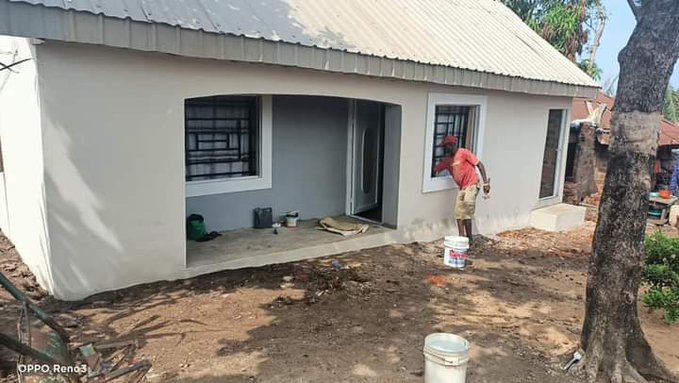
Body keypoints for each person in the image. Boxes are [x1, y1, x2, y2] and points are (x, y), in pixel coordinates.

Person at [433, 136, 490, 245]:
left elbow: (480, 165)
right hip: (462, 188)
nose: (444, 149)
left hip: (472, 184)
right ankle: (461, 239)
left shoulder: (463, 153)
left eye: (446, 147)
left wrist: (485, 183)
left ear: (452, 145)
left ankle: (469, 240)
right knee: (459, 213)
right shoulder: (447, 161)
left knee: (467, 210)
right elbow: (435, 170)